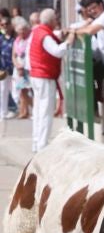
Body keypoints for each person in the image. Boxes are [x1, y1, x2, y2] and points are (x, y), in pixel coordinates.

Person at [68, 0, 104, 148]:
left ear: (101, 5)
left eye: (94, 8)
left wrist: (74, 31)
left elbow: (89, 31)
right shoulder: (99, 19)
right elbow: (86, 28)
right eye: (89, 10)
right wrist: (78, 27)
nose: (92, 11)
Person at [26, 8, 67, 154]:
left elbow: (53, 36)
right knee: (45, 112)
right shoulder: (44, 34)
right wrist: (68, 42)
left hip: (37, 75)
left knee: (38, 111)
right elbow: (57, 51)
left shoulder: (37, 31)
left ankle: (37, 142)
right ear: (50, 21)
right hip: (44, 76)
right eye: (55, 19)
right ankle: (42, 146)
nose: (57, 22)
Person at [10, 16, 31, 123]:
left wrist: (22, 67)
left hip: (27, 69)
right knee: (22, 91)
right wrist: (17, 65)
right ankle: (23, 111)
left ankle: (28, 110)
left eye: (23, 29)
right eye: (19, 30)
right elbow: (13, 55)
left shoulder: (29, 40)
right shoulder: (17, 41)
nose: (22, 32)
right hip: (19, 69)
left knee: (29, 90)